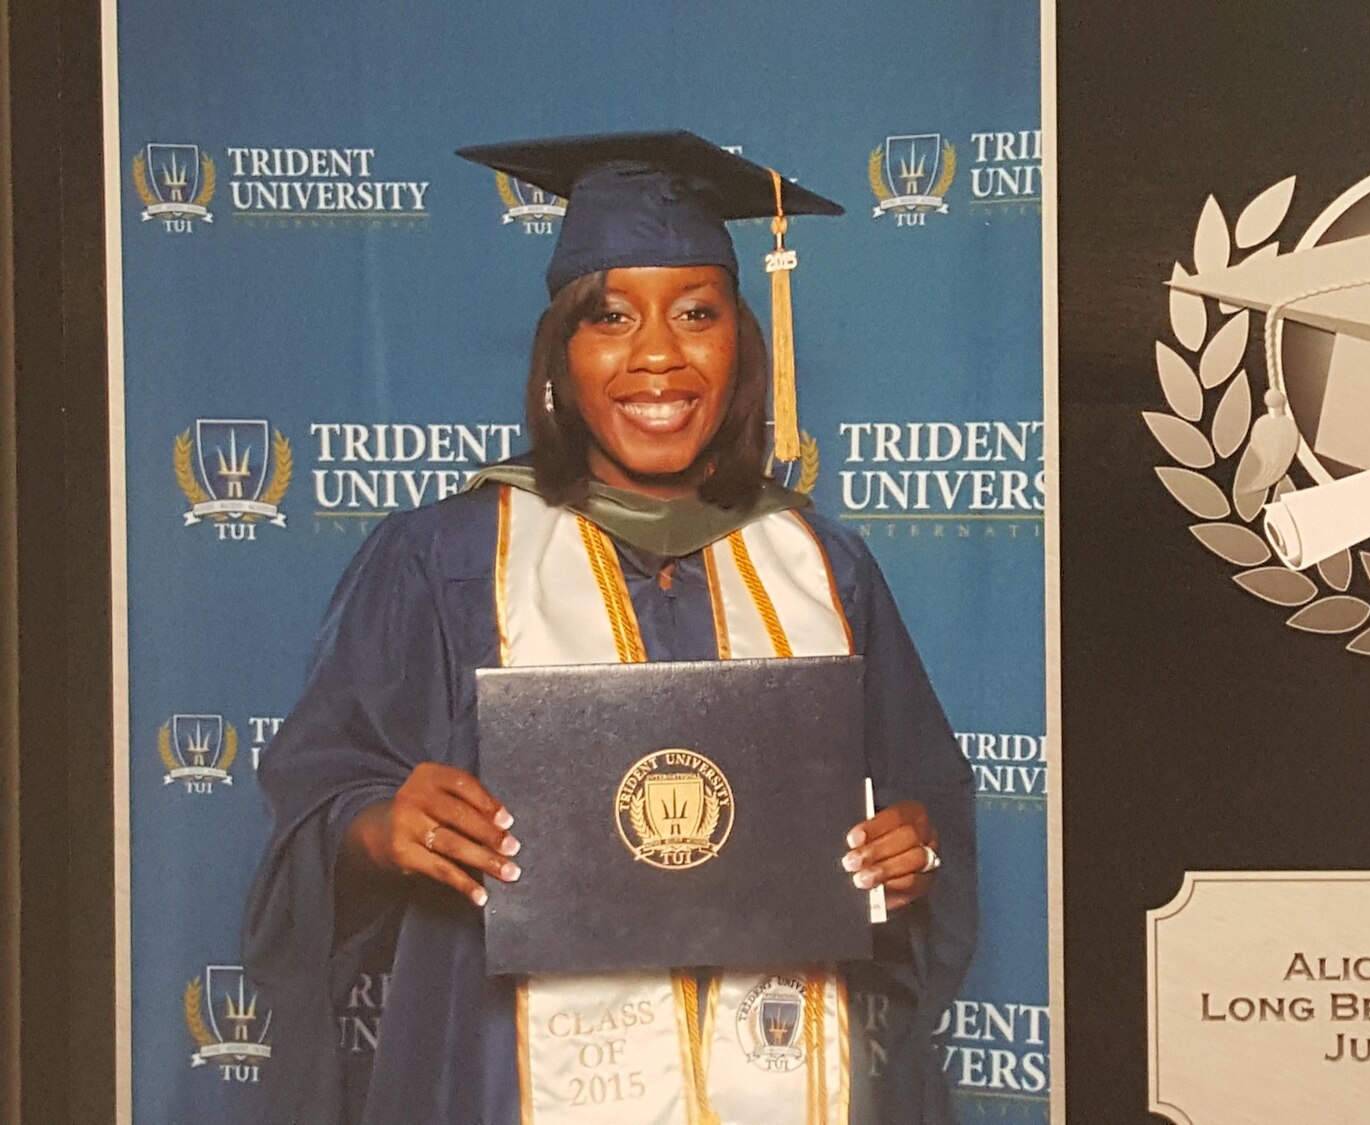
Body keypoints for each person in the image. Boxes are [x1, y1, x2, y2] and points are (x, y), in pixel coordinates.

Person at [241, 131, 977, 1125]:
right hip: (512, 1084)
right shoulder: (444, 560)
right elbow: (315, 805)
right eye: (611, 316)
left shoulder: (820, 564)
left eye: (697, 313)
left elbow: (915, 807)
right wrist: (380, 828)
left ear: (739, 346)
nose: (657, 355)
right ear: (561, 357)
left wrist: (908, 856)